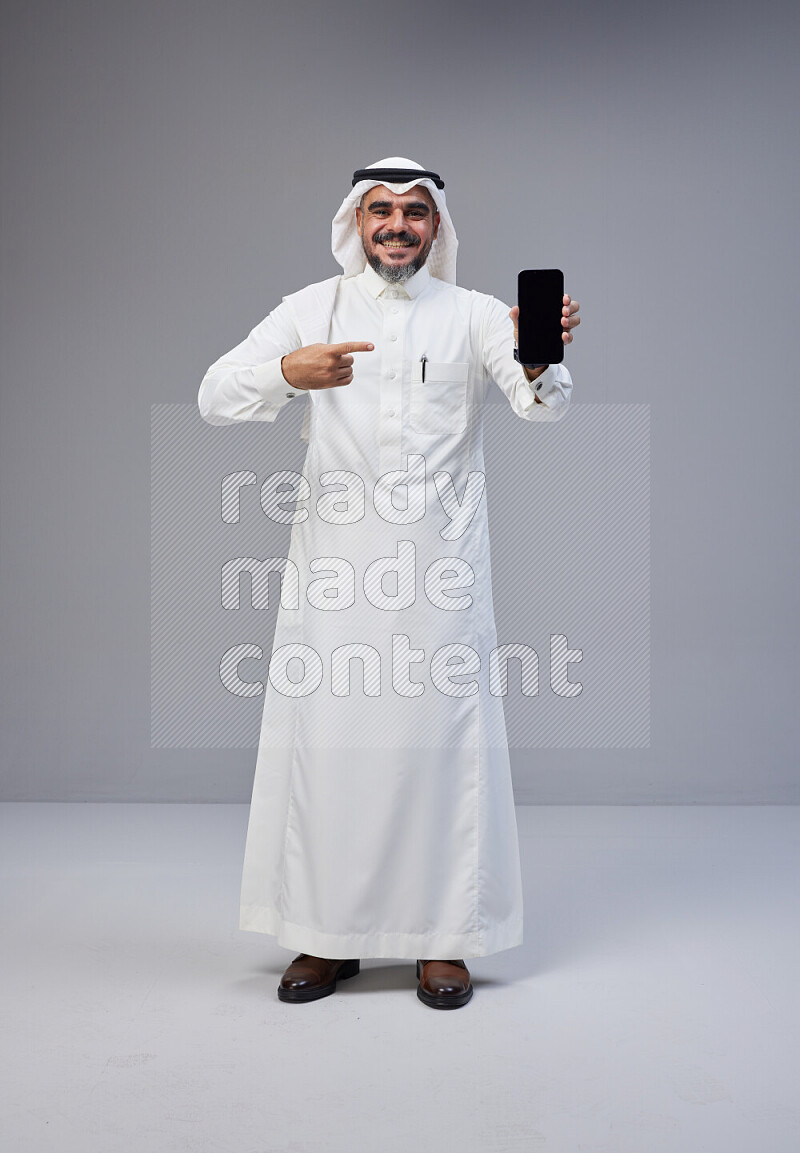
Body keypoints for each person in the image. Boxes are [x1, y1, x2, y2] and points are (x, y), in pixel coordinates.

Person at [198, 157, 580, 1010]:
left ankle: (442, 941)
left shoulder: (478, 313)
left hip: (441, 580)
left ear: (437, 226)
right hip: (333, 576)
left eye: (415, 211)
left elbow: (542, 407)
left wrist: (540, 356)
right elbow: (213, 395)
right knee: (330, 755)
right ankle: (325, 937)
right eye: (381, 210)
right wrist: (283, 377)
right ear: (355, 222)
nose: (398, 225)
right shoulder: (311, 308)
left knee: (441, 753)